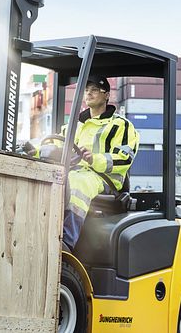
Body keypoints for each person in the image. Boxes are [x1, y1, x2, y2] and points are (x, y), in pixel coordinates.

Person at [57, 76, 139, 251]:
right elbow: (55, 146)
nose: (89, 93)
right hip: (74, 172)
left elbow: (124, 157)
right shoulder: (74, 125)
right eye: (87, 90)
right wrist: (34, 151)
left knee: (78, 184)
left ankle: (65, 242)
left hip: (104, 179)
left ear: (107, 95)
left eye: (94, 89)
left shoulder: (120, 125)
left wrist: (95, 159)